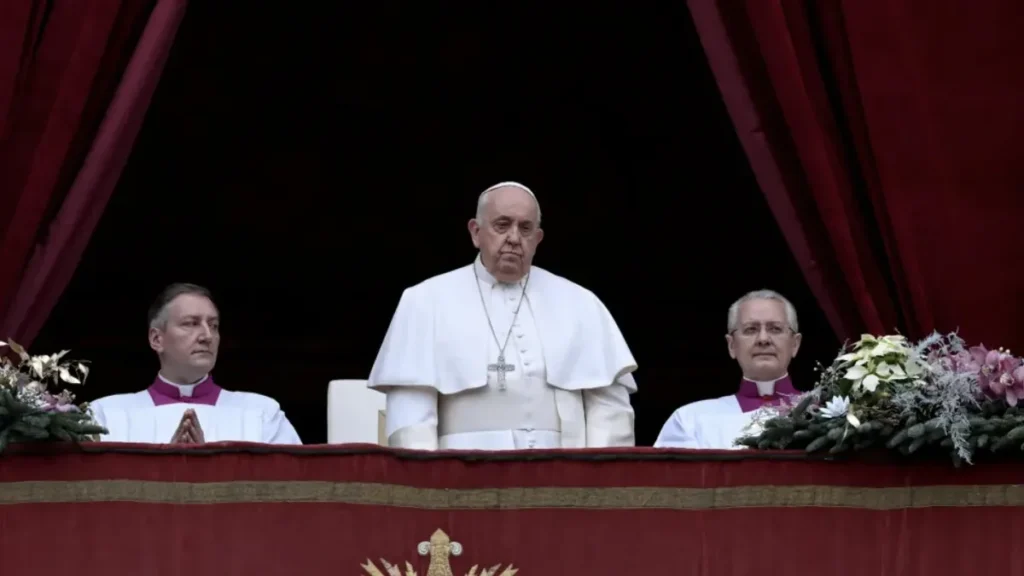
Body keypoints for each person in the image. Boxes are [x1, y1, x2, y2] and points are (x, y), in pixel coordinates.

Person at [368, 181, 638, 450]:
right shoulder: (424, 301)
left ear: (538, 238)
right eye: (502, 225)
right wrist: (427, 485)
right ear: (476, 232)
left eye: (525, 228)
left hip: (561, 479)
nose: (514, 238)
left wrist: (597, 485)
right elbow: (410, 419)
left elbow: (610, 413)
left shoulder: (581, 303)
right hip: (462, 478)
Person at [90, 283, 302, 444]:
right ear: (156, 339)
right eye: (191, 323)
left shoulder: (262, 413)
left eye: (214, 325)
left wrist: (209, 468)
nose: (207, 336)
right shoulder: (106, 415)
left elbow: (290, 492)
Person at [654, 289, 802, 449]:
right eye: (751, 329)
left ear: (795, 344)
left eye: (775, 329)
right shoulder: (690, 421)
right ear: (731, 345)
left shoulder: (825, 414)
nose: (763, 339)